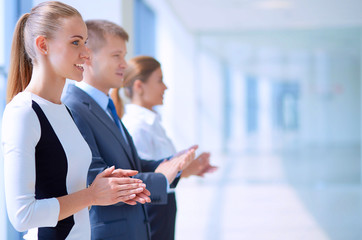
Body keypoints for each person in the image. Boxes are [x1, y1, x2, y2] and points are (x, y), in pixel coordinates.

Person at [1, 2, 149, 239]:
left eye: (85, 43)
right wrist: (92, 195)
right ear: (43, 45)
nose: (86, 53)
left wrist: (108, 189)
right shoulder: (23, 112)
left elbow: (70, 197)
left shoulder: (64, 110)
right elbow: (22, 216)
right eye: (76, 42)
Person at [62, 19, 195, 240]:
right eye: (116, 56)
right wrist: (161, 178)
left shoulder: (104, 106)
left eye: (124, 55)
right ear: (89, 56)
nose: (124, 63)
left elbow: (131, 166)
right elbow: (96, 179)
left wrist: (173, 165)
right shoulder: (75, 107)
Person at [111, 56, 217, 240]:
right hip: (151, 213)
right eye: (159, 80)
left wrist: (190, 168)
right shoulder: (136, 127)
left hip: (162, 209)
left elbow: (160, 170)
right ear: (139, 86)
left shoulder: (152, 123)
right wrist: (185, 169)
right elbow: (143, 178)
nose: (165, 87)